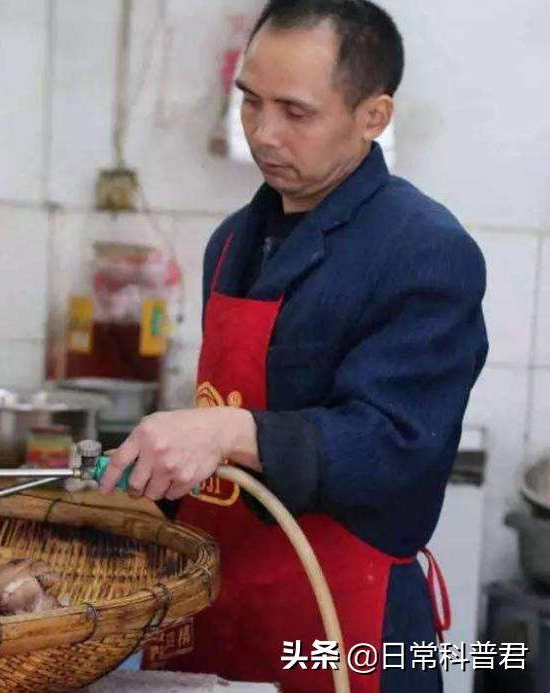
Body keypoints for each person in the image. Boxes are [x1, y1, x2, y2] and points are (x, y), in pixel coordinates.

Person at [98, 1, 488, 691]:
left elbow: (393, 443)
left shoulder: (422, 249)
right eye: (249, 102)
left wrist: (226, 430)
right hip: (217, 610)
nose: (262, 133)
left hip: (342, 629)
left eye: (294, 112)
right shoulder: (231, 242)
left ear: (372, 116)